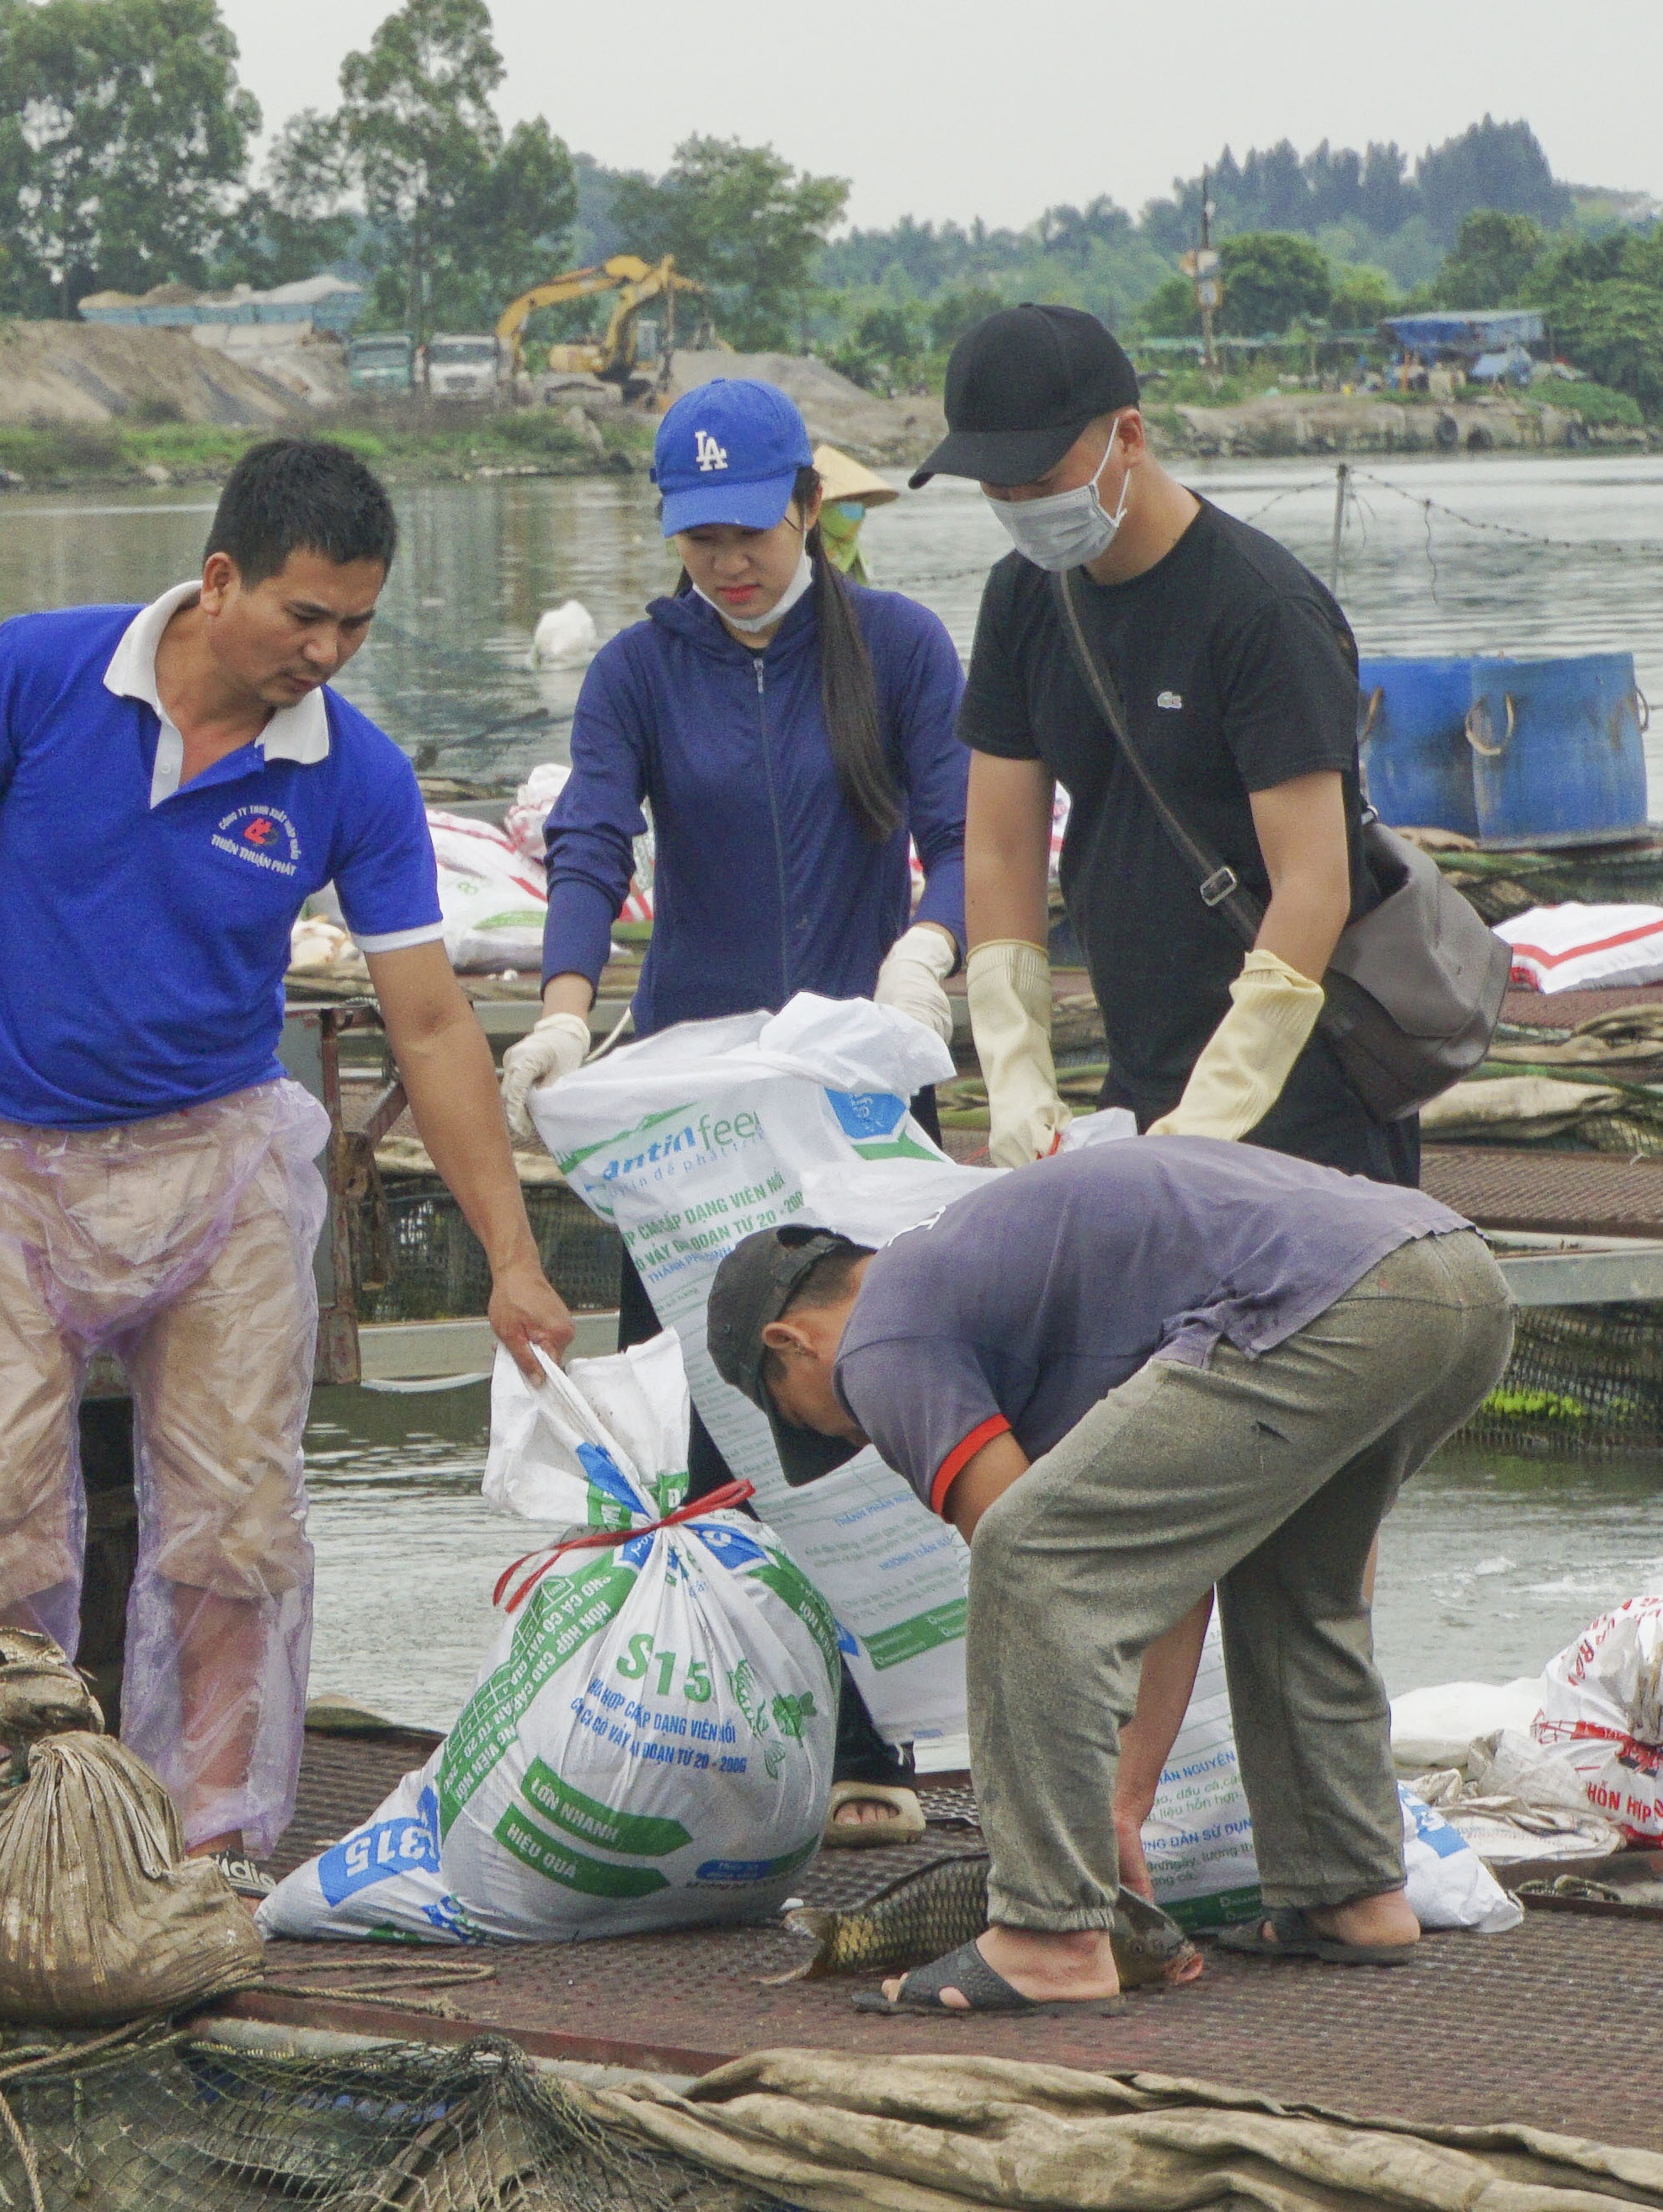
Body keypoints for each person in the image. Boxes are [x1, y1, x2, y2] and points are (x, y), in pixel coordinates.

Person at [0, 439, 578, 1889]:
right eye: (306, 615)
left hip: (218, 1163)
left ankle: (213, 1844)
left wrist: (512, 1255)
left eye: (358, 623)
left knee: (239, 1518)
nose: (328, 650)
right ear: (220, 577)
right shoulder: (38, 674)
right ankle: (2, 1845)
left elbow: (426, 1018)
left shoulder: (347, 771)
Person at [706, 1139, 1514, 2014]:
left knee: (1026, 1555)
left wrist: (1084, 1829)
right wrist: (1123, 1805)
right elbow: (1155, 1572)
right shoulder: (983, 1286)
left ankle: (1048, 1936)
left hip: (1319, 1298)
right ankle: (1350, 1890)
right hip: (1450, 1274)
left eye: (800, 1415)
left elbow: (1043, 1567)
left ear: (788, 1339)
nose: (846, 1434)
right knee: (1295, 1585)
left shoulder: (879, 1338)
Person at [496, 376, 973, 1847]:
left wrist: (929, 951)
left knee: (881, 1399)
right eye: (699, 538)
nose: (729, 562)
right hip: (693, 1120)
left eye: (753, 530)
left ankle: (891, 1729)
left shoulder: (893, 647)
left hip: (850, 1096)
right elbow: (590, 834)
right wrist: (570, 1001)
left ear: (810, 508)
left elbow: (963, 830)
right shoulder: (640, 669)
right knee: (715, 1430)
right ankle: (741, 1734)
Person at [915, 304, 1415, 1186]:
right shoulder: (1024, 599)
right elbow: (997, 846)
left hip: (1300, 1084)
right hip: (1138, 1076)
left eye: (1037, 478)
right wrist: (1013, 1062)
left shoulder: (1259, 610)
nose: (1020, 507)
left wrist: (1221, 1104)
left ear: (1129, 437)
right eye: (995, 488)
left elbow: (1314, 880)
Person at [810, 443, 903, 584]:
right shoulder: (806, 555)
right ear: (820, 507)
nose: (855, 510)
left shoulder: (854, 554)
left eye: (857, 501)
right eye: (843, 501)